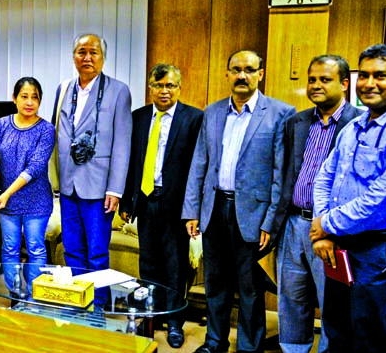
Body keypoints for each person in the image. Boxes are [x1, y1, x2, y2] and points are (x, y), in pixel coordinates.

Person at [311, 44, 386, 353]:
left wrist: (328, 224)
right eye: (363, 75)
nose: (369, 83)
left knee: (368, 339)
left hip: (382, 248)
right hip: (342, 244)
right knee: (336, 331)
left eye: (381, 75)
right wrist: (324, 228)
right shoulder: (353, 126)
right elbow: (326, 177)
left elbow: (385, 197)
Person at [183, 50, 294, 353]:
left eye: (249, 69)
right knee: (215, 284)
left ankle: (249, 347)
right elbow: (199, 164)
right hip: (215, 207)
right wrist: (192, 210)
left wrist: (271, 221)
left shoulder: (281, 113)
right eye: (236, 69)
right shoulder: (214, 112)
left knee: (249, 288)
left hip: (254, 214)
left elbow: (280, 174)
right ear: (227, 73)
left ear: (261, 74)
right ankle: (214, 342)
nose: (242, 75)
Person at [274, 55, 361, 353]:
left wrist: (331, 229)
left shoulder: (359, 124)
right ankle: (292, 349)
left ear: (344, 83)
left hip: (331, 231)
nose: (316, 85)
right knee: (291, 298)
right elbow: (286, 174)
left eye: (325, 80)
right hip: (293, 225)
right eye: (312, 80)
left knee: (332, 303)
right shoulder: (297, 122)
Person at [119, 63, 203, 348]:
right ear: (150, 88)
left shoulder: (193, 119)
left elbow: (198, 167)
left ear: (179, 88)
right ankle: (150, 317)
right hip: (146, 202)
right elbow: (132, 162)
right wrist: (129, 201)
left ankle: (175, 323)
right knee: (149, 265)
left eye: (170, 85)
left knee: (175, 266)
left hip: (177, 206)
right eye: (158, 85)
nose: (164, 91)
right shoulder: (139, 117)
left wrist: (194, 210)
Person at [54, 33, 132, 308]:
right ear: (73, 56)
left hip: (100, 187)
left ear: (103, 57)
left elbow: (123, 142)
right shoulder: (63, 88)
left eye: (93, 52)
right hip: (67, 185)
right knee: (72, 249)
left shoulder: (118, 90)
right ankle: (79, 301)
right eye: (81, 51)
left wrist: (115, 188)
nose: (87, 57)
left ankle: (98, 308)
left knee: (97, 253)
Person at [0, 77, 55, 297]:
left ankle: (35, 298)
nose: (29, 102)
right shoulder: (1, 124)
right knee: (9, 248)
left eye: (34, 97)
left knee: (35, 248)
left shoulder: (46, 130)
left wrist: (6, 193)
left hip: (36, 201)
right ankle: (15, 296)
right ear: (14, 99)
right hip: (6, 201)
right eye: (24, 96)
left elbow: (35, 167)